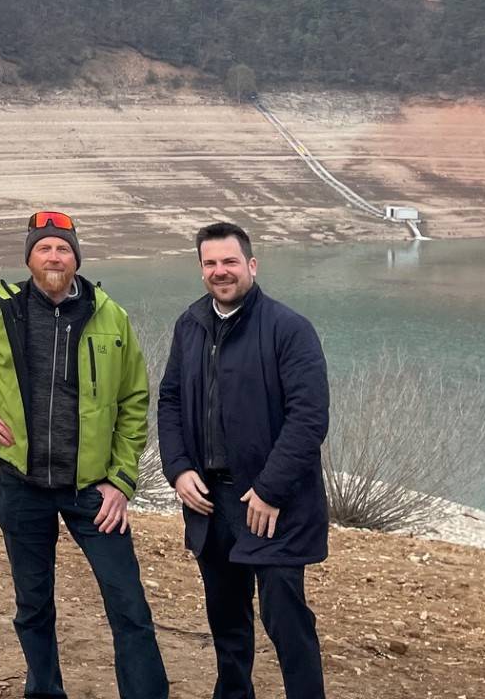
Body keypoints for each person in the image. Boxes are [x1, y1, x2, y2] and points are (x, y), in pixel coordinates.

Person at [0, 210, 169, 699]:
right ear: (30, 258)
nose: (54, 256)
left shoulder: (111, 316)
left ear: (76, 258)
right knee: (33, 605)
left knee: (129, 606)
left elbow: (134, 401)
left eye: (63, 248)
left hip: (94, 495)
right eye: (45, 248)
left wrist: (122, 482)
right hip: (22, 487)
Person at [156, 221, 329, 699]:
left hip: (272, 504)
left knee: (286, 621)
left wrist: (271, 489)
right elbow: (169, 400)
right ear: (200, 269)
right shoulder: (190, 325)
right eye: (210, 263)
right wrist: (179, 469)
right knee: (227, 619)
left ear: (251, 265)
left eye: (230, 262)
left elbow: (309, 419)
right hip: (210, 502)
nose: (220, 271)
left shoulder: (288, 329)